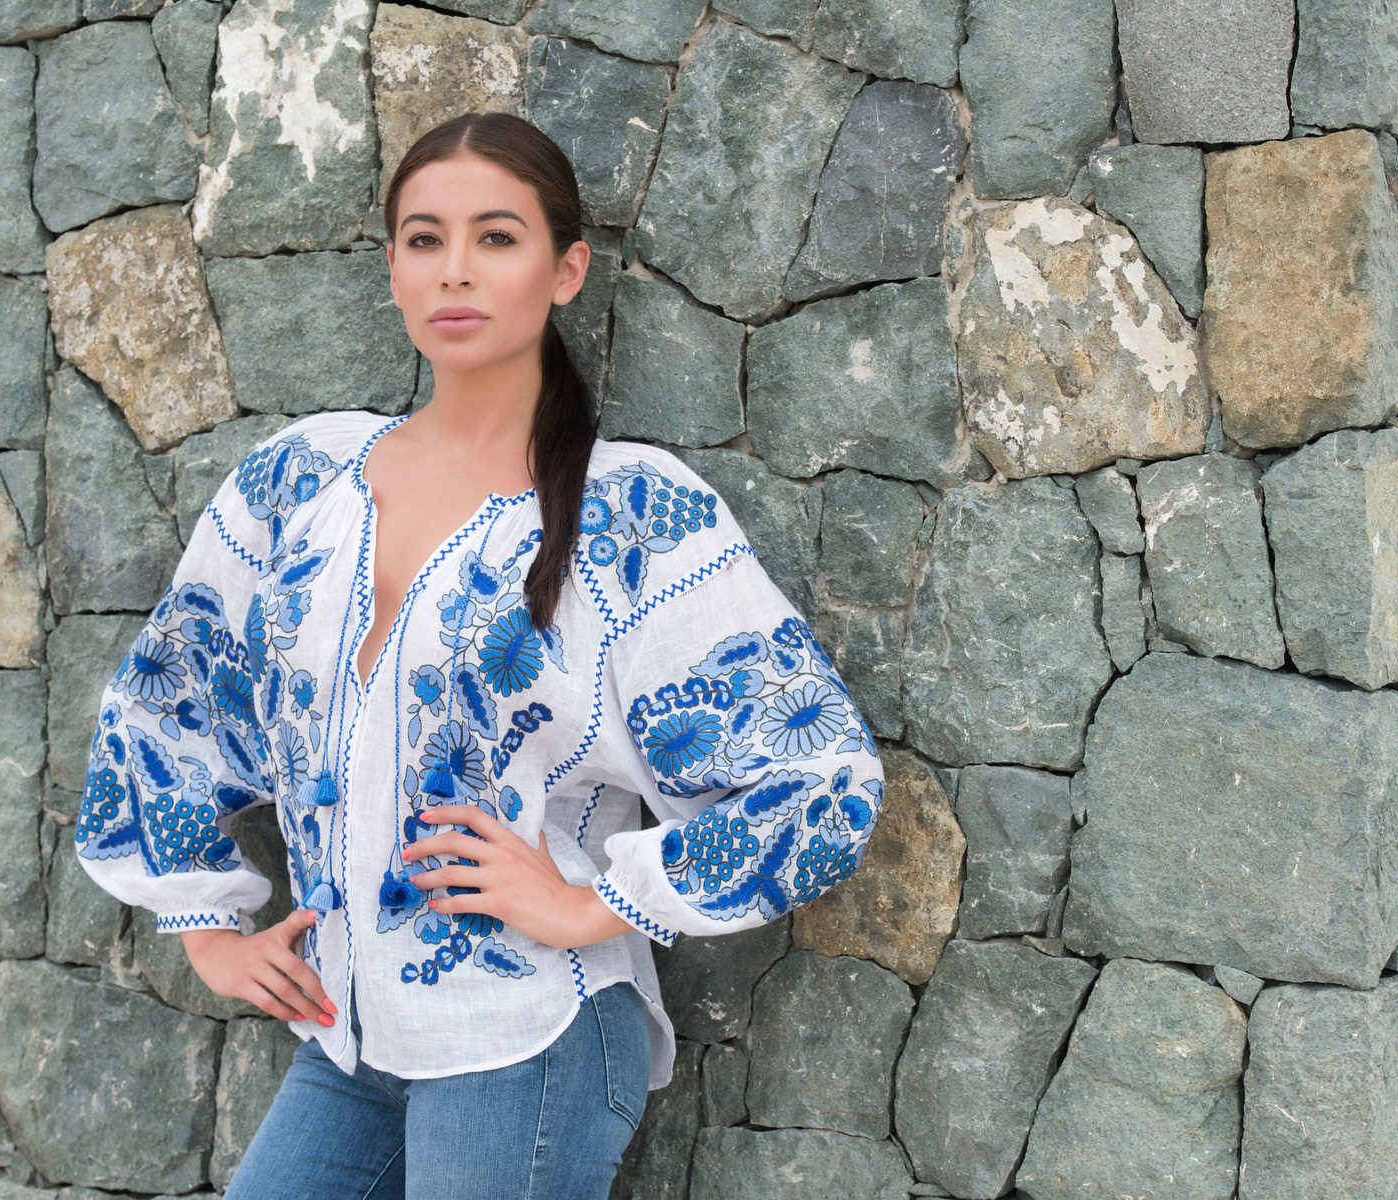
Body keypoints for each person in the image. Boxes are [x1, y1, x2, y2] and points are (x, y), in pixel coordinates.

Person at [74, 110, 887, 1200]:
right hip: (347, 1032)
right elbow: (166, 703)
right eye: (425, 239)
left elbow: (822, 778)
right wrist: (206, 929)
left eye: (496, 237)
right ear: (394, 269)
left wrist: (590, 905)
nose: (454, 269)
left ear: (567, 271)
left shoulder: (634, 516)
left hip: (529, 1035)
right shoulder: (296, 482)